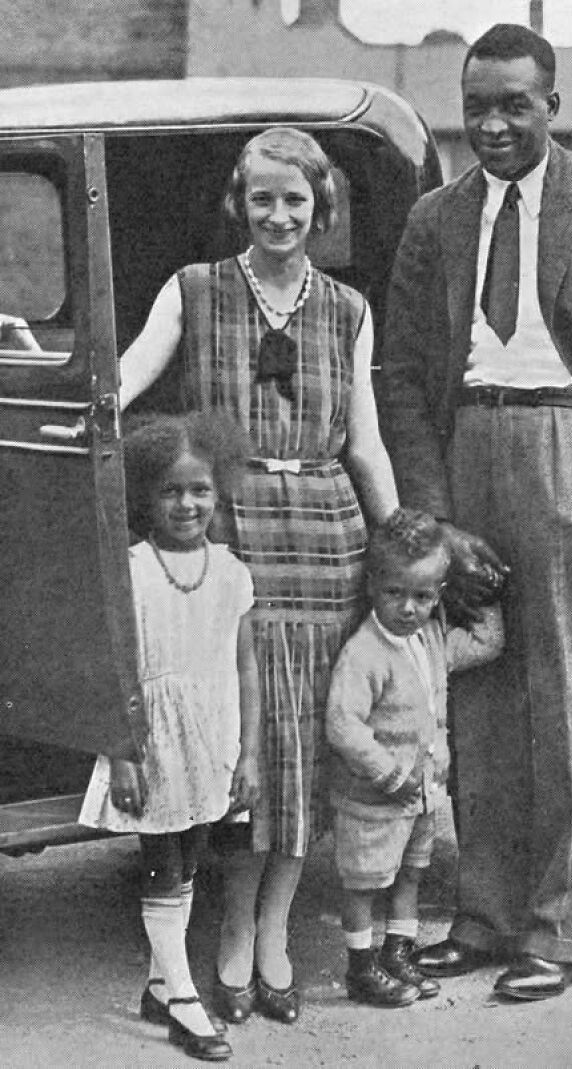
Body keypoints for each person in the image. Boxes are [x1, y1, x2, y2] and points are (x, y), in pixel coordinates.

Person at [380, 23, 572, 1002]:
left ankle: (559, 932)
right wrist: (433, 509)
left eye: (515, 103)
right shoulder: (436, 219)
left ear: (550, 106)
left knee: (570, 706)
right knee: (476, 700)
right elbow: (399, 374)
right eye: (478, 104)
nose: (493, 123)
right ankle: (482, 915)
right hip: (466, 448)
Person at [116, 127, 401, 1024]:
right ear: (239, 205)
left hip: (327, 539)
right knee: (248, 746)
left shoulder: (350, 309)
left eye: (298, 202)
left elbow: (364, 441)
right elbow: (118, 385)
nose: (281, 216)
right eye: (264, 199)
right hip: (233, 542)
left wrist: (397, 539)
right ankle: (232, 930)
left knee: (309, 747)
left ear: (322, 211)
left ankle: (275, 930)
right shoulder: (195, 291)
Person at [80, 411, 260, 1062]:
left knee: (190, 856)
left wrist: (251, 754)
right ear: (146, 497)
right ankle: (184, 997)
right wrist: (119, 749)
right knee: (163, 860)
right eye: (171, 491)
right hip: (150, 740)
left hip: (210, 739)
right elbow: (110, 667)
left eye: (201, 490)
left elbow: (245, 668)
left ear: (221, 491)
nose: (187, 503)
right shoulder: (130, 571)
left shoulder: (232, 572)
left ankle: (160, 981)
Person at [326, 508, 504, 1008]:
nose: (408, 607)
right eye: (395, 593)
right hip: (374, 799)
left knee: (410, 874)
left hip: (421, 795)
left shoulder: (427, 639)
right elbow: (343, 725)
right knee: (364, 883)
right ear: (372, 588)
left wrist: (490, 594)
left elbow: (490, 642)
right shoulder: (365, 653)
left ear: (438, 594)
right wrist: (387, 772)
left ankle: (396, 955)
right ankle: (361, 969)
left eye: (423, 596)